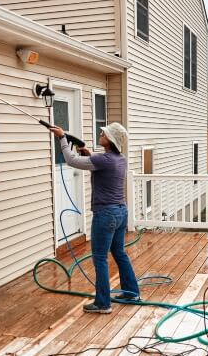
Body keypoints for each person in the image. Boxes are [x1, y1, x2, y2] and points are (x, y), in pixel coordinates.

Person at [48, 122, 140, 314]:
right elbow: (101, 165)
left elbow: (71, 160)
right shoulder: (120, 158)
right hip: (121, 212)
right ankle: (132, 293)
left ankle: (103, 303)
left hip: (106, 214)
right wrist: (89, 155)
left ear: (111, 140)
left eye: (104, 133)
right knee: (119, 253)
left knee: (100, 258)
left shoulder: (104, 160)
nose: (100, 133)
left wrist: (62, 138)